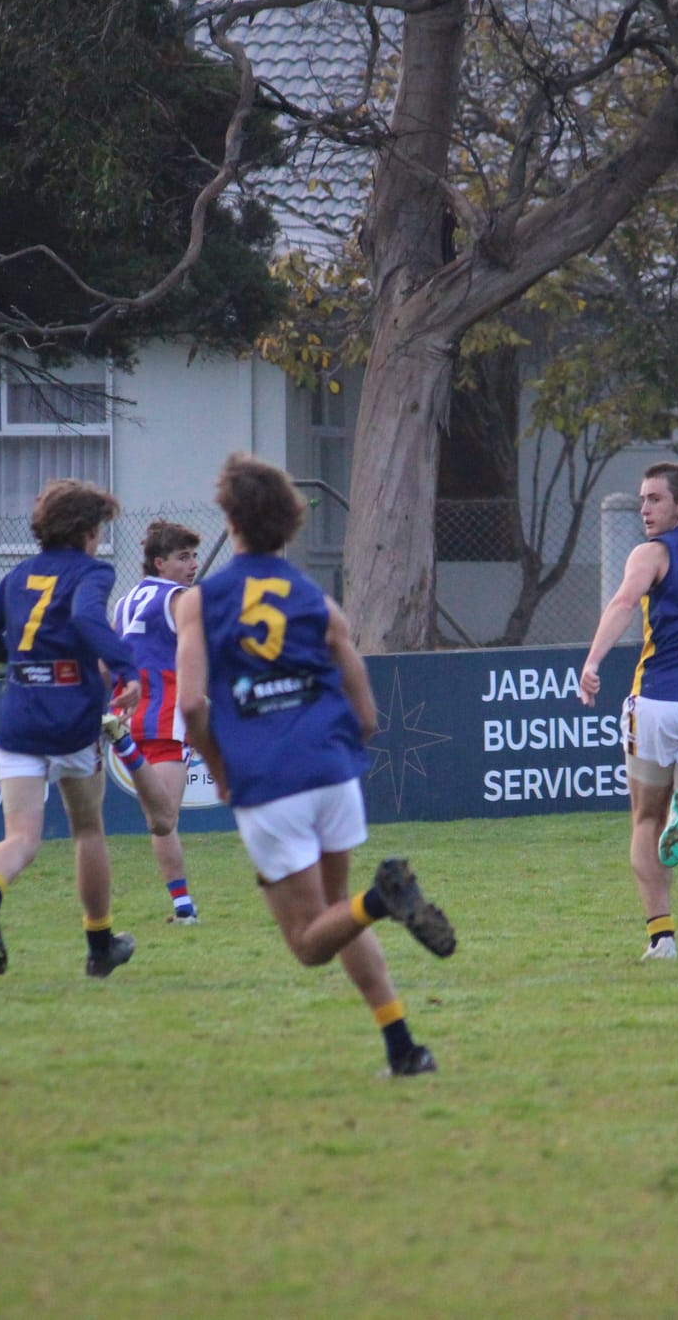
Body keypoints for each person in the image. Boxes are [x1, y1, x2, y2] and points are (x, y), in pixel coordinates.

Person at [174, 452, 456, 1076]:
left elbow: (191, 704)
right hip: (332, 772)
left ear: (230, 520)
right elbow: (367, 716)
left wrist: (220, 771)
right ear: (291, 523)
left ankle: (383, 900)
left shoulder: (198, 602)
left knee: (309, 944)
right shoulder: (319, 603)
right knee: (336, 914)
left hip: (269, 782)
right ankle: (404, 1048)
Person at [0, 477, 151, 980]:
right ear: (88, 531)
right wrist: (126, 668)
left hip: (19, 716)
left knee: (21, 838)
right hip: (71, 716)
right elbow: (87, 619)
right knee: (87, 829)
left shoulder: (19, 575)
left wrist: (28, 661)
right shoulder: (93, 571)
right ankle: (99, 946)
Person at [578, 462, 678, 961]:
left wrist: (593, 661)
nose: (644, 510)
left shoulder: (651, 553)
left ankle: (662, 937)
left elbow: (624, 602)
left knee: (646, 820)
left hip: (655, 702)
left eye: (654, 499)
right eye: (642, 499)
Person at [108, 520, 204, 924]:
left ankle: (184, 908)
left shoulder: (125, 601)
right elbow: (198, 653)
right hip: (165, 717)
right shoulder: (180, 598)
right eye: (183, 557)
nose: (193, 564)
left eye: (194, 556)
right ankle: (184, 910)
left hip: (128, 712)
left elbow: (111, 656)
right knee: (164, 820)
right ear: (160, 563)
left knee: (161, 821)